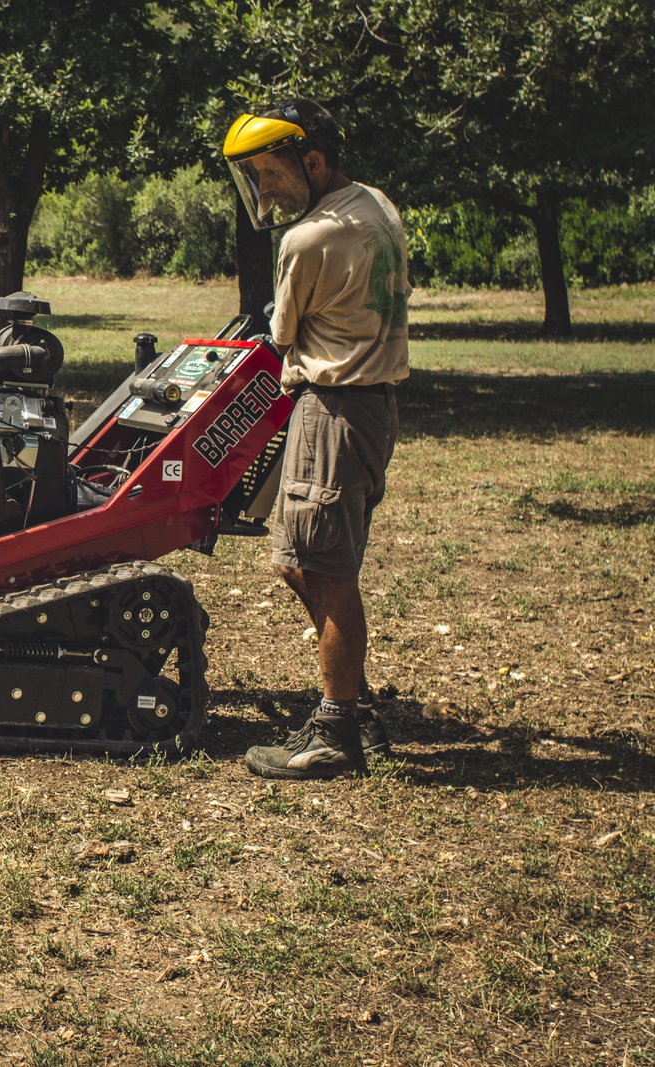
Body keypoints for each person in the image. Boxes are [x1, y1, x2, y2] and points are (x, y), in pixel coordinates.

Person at [221, 99, 411, 779]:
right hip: (370, 406)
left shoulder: (307, 241)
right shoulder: (376, 206)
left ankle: (336, 727)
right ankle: (351, 703)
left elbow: (281, 335)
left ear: (314, 161)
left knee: (327, 571)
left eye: (270, 175)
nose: (264, 192)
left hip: (333, 406)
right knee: (298, 559)